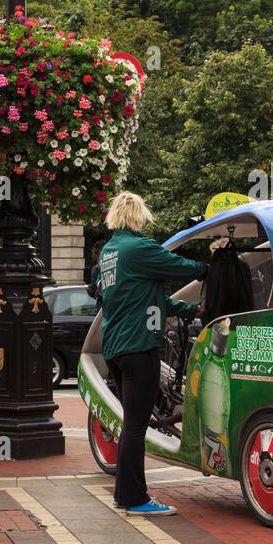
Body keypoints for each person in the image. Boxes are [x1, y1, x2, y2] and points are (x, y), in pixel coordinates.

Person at [97, 191, 206, 516]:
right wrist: (208, 267)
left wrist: (189, 310)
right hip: (138, 345)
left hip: (115, 348)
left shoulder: (110, 251)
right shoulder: (138, 247)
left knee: (131, 422)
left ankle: (123, 494)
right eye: (142, 215)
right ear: (135, 215)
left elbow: (147, 297)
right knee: (136, 426)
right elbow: (179, 266)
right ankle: (136, 498)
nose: (145, 220)